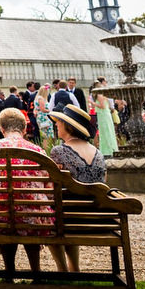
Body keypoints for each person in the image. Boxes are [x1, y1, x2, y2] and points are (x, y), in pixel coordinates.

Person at [0, 107, 54, 280]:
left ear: (1, 128)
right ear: (24, 129)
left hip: (2, 217)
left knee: (4, 211)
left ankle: (9, 272)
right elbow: (48, 187)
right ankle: (36, 273)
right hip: (32, 216)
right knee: (32, 212)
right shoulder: (37, 151)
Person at [47, 105, 106, 272]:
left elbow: (53, 185)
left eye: (60, 122)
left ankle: (62, 269)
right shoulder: (97, 152)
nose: (56, 124)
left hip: (68, 219)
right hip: (98, 218)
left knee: (48, 215)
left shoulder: (58, 151)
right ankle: (75, 268)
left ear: (69, 126)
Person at [93, 90, 118, 157]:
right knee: (107, 131)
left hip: (103, 115)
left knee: (105, 132)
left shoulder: (99, 95)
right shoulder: (105, 96)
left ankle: (107, 150)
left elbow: (102, 106)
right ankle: (110, 149)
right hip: (105, 114)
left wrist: (93, 103)